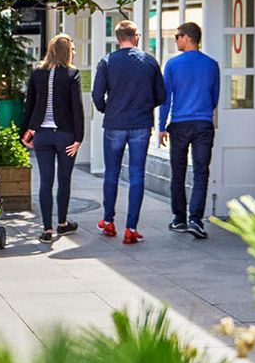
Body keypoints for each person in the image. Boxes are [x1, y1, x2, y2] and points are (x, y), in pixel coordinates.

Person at [92, 20, 166, 245]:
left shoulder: (107, 62)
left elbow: (97, 96)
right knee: (137, 175)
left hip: (114, 123)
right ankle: (131, 228)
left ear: (117, 38)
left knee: (111, 173)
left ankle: (108, 221)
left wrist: (109, 109)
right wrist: (143, 106)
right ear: (135, 36)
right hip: (141, 124)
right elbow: (161, 96)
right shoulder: (149, 62)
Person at [159, 22, 220, 240]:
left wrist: (160, 127)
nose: (175, 40)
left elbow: (165, 99)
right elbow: (215, 98)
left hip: (180, 124)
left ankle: (179, 219)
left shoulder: (173, 65)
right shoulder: (212, 65)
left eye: (177, 36)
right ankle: (196, 219)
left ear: (187, 38)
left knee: (178, 171)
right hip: (203, 123)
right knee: (201, 172)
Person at [21, 34, 84, 243]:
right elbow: (77, 108)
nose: (74, 52)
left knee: (46, 181)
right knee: (64, 180)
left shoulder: (37, 73)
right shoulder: (72, 74)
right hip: (65, 135)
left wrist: (25, 132)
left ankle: (47, 230)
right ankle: (62, 224)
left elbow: (29, 104)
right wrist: (79, 137)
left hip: (42, 135)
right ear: (66, 51)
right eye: (72, 49)